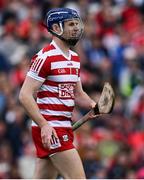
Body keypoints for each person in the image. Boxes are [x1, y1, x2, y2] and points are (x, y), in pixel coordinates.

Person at [19, 7, 96, 179]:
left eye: (77, 23)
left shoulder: (74, 58)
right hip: (51, 129)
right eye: (70, 24)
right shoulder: (45, 58)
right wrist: (44, 125)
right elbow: (24, 95)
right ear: (55, 28)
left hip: (63, 127)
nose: (76, 28)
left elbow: (79, 94)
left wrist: (94, 105)